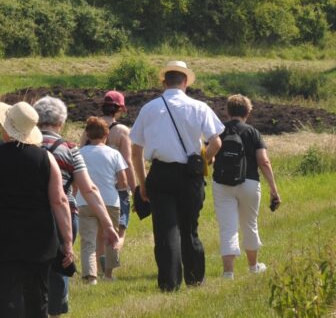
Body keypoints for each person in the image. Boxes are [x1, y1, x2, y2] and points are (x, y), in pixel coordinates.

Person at [0, 100, 72, 318]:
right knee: (37, 286)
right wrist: (66, 240)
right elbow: (59, 199)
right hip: (39, 233)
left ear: (7, 128)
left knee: (4, 284)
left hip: (1, 229)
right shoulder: (45, 158)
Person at [128, 61, 225, 292]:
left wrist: (142, 183)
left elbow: (135, 150)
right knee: (189, 227)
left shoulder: (149, 108)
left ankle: (169, 284)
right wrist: (203, 162)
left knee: (166, 230)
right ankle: (194, 278)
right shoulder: (199, 107)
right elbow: (216, 142)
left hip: (160, 173)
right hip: (190, 175)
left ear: (164, 82)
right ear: (185, 83)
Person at [32, 95, 118, 318]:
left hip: (29, 213)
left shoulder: (26, 144)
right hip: (65, 213)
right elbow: (88, 188)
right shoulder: (69, 149)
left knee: (31, 264)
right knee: (61, 264)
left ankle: (31, 314)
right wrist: (108, 224)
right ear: (61, 122)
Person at [212, 94, 283, 279]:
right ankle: (253, 267)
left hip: (222, 184)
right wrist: (273, 189)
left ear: (227, 112)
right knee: (249, 225)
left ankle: (228, 273)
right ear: (248, 112)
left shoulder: (218, 130)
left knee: (228, 227)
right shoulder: (253, 132)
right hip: (249, 182)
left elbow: (209, 156)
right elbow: (264, 161)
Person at [75, 117, 130, 281]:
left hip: (84, 201)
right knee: (110, 238)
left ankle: (90, 275)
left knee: (88, 241)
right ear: (106, 134)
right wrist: (120, 188)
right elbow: (123, 181)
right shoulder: (114, 154)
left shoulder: (78, 153)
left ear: (87, 134)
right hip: (110, 200)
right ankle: (108, 274)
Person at [100, 90, 134, 237]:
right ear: (119, 109)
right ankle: (113, 260)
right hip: (116, 186)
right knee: (119, 233)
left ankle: (100, 259)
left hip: (93, 184)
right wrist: (135, 189)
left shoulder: (92, 126)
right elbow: (127, 162)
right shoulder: (121, 131)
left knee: (99, 235)